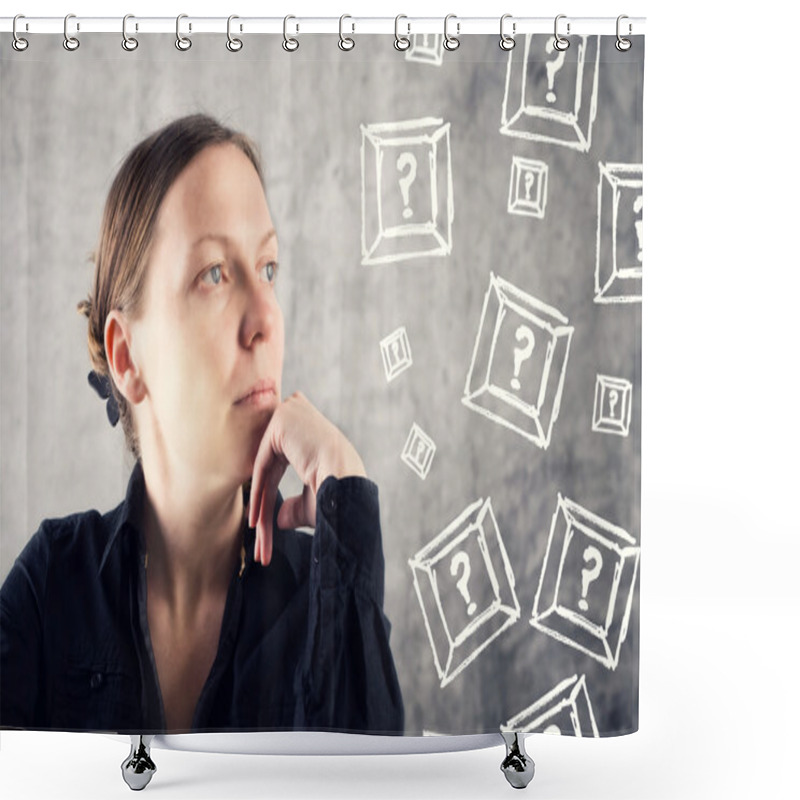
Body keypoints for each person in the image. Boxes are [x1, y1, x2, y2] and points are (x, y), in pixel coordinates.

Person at [0, 113, 404, 735]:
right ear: (127, 357)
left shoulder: (321, 597)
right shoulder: (52, 588)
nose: (265, 316)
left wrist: (345, 490)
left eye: (268, 268)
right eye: (214, 274)